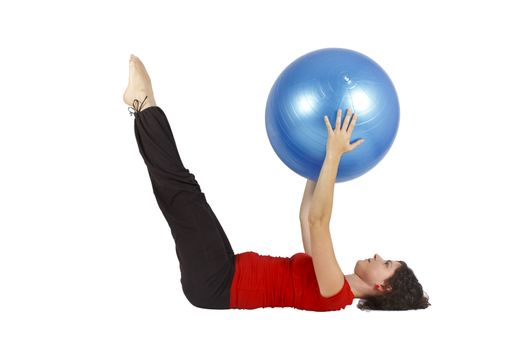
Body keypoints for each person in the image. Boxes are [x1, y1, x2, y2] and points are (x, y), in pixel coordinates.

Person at [123, 54, 430, 312]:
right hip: (225, 270)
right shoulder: (331, 278)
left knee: (181, 192)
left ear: (383, 286)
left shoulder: (335, 292)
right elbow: (306, 218)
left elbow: (319, 220)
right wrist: (319, 160)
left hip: (217, 283)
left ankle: (143, 104)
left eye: (387, 262)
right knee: (183, 194)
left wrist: (334, 156)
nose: (378, 255)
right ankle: (142, 108)